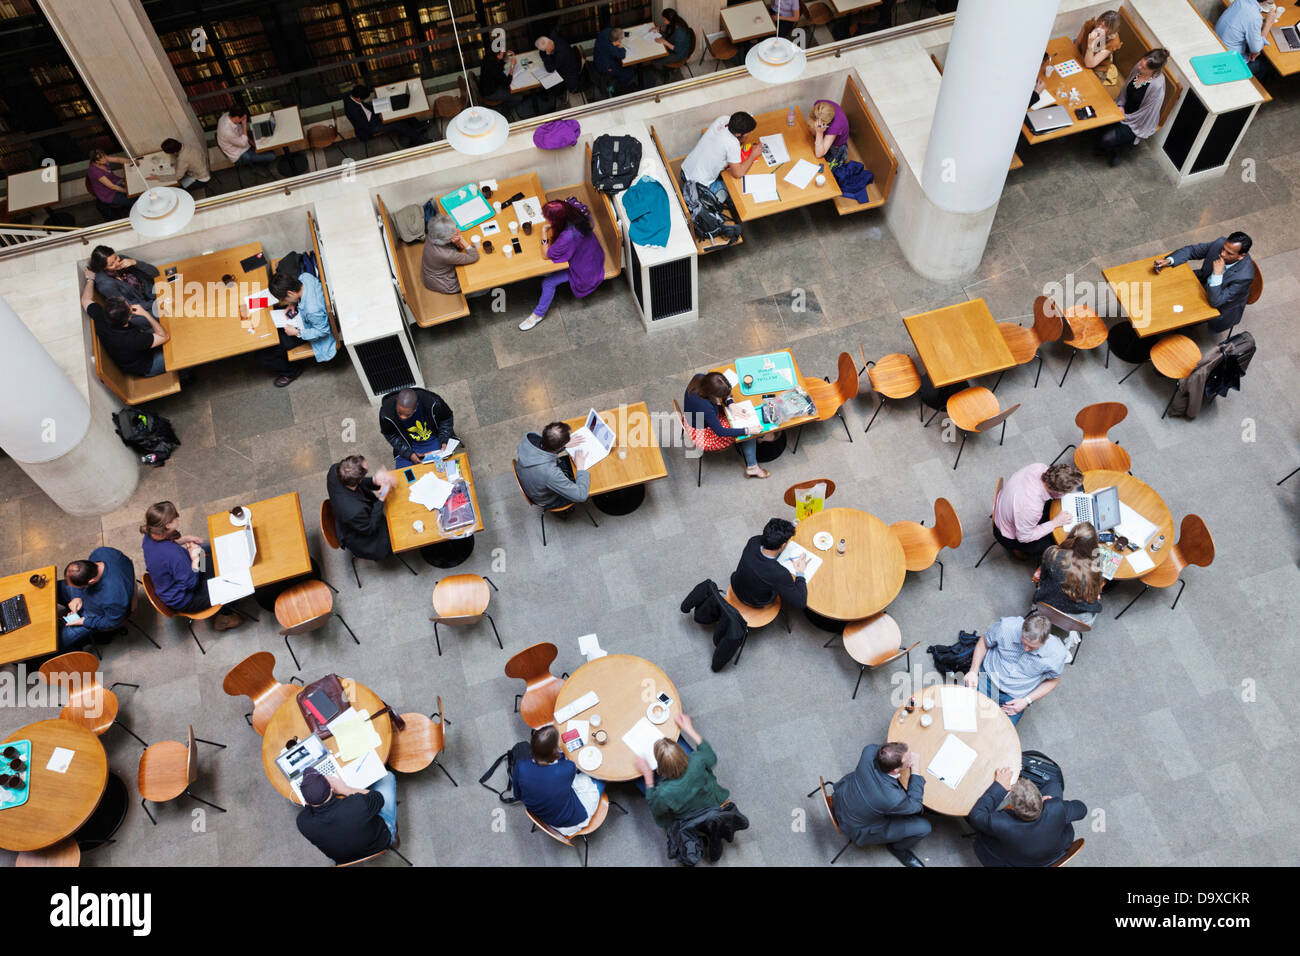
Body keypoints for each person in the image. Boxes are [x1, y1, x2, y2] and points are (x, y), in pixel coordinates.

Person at [139, 501, 241, 630]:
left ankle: (213, 573)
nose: (178, 517)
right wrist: (194, 559)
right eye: (175, 516)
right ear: (168, 525)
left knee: (206, 552)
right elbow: (192, 583)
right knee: (234, 584)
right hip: (187, 597)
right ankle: (225, 618)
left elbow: (168, 545)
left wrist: (185, 539)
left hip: (179, 579)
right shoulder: (174, 555)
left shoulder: (150, 535)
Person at [830, 741, 929, 867]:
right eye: (909, 758)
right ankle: (897, 848)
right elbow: (915, 806)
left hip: (842, 797)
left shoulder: (869, 752)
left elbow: (885, 751)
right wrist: (915, 769)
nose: (912, 758)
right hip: (856, 827)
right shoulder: (893, 798)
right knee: (924, 827)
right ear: (895, 770)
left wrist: (900, 754)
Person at [967, 767, 1088, 867]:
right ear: (1042, 798)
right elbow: (1082, 809)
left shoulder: (1002, 824)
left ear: (1012, 807)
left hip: (1016, 862)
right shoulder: (1056, 807)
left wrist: (1000, 786)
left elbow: (975, 815)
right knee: (1054, 785)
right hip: (1053, 854)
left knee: (977, 825)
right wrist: (1058, 804)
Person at [518, 198, 605, 331]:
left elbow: (545, 255)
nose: (545, 219)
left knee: (548, 282)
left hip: (586, 271)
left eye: (548, 217)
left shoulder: (568, 236)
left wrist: (543, 232)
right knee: (551, 272)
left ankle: (538, 314)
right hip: (593, 255)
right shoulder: (575, 214)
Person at [964, 614, 1066, 726]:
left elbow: (1054, 680)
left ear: (1046, 640)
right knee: (960, 714)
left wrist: (1027, 700)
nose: (1026, 649)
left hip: (1014, 697)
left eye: (1032, 648)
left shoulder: (1056, 655)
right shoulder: (1006, 627)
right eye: (1024, 643)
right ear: (1022, 628)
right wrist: (973, 671)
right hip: (988, 677)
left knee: (998, 735)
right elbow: (984, 641)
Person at [636, 714, 729, 828]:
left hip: (690, 820)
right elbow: (711, 758)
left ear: (660, 767)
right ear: (681, 753)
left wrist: (648, 778)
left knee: (639, 782)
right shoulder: (698, 760)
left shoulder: (663, 793)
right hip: (714, 803)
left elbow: (656, 809)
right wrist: (689, 729)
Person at [247, 270, 337, 388]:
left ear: (290, 292)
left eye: (284, 299)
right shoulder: (305, 278)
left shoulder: (312, 310)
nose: (283, 302)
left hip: (306, 329)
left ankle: (291, 372)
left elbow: (322, 331)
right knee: (269, 324)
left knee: (263, 356)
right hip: (302, 315)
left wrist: (297, 332)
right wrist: (292, 304)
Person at [1154, 231, 1256, 334]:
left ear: (1241, 256)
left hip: (1218, 304)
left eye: (1229, 253)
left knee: (1177, 315)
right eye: (1223, 249)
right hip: (1203, 283)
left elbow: (1216, 302)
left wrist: (1217, 275)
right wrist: (1169, 260)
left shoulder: (1245, 276)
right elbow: (1192, 250)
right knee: (1168, 288)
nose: (1222, 254)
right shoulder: (1220, 243)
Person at [295, 766, 399, 865]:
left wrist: (312, 796)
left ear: (306, 802)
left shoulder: (303, 823)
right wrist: (345, 789)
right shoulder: (358, 804)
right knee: (387, 777)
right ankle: (392, 837)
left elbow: (307, 810)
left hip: (344, 860)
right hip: (381, 842)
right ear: (331, 786)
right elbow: (377, 798)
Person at [513, 726, 605, 835]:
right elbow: (568, 765)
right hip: (572, 820)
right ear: (554, 751)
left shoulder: (521, 766)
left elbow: (517, 795)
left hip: (545, 815)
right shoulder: (565, 769)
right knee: (601, 776)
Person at [81, 269, 168, 377]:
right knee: (180, 353)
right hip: (146, 365)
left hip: (136, 352)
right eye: (129, 305)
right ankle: (184, 375)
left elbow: (85, 300)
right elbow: (164, 337)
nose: (129, 303)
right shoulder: (131, 339)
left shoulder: (102, 315)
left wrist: (90, 279)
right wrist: (146, 314)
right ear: (129, 317)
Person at [682, 371, 769, 479]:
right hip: (703, 434)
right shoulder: (704, 406)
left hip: (693, 418)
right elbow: (720, 432)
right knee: (748, 433)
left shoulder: (700, 378)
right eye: (721, 396)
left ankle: (753, 447)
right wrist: (748, 430)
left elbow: (722, 393)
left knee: (744, 425)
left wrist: (730, 403)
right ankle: (752, 467)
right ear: (712, 394)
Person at [993, 462, 1082, 557]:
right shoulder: (1031, 509)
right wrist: (1055, 523)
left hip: (1008, 505)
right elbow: (1024, 537)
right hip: (1007, 534)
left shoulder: (1039, 467)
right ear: (1059, 492)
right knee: (1058, 544)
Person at [1098, 48, 1168, 166]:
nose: (1139, 67)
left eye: (1144, 68)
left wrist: (1124, 116)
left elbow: (1145, 114)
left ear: (1153, 71)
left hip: (1137, 120)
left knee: (1107, 139)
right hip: (1123, 108)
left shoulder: (1157, 86)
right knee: (1097, 122)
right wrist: (1120, 105)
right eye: (1141, 63)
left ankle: (1118, 149)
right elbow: (1126, 88)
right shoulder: (1139, 67)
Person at [57, 548, 136, 650]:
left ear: (91, 581)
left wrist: (84, 621)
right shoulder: (102, 552)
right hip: (93, 597)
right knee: (56, 587)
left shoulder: (113, 597)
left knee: (58, 642)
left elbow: (112, 622)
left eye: (79, 588)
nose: (76, 588)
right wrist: (78, 596)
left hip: (96, 614)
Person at [326, 455, 396, 561]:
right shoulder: (354, 511)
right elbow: (370, 528)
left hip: (349, 516)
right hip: (362, 538)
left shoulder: (335, 470)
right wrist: (382, 498)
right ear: (359, 480)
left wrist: (374, 481)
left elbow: (358, 482)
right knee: (397, 534)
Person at [681, 111, 758, 206]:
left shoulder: (723, 119)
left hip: (685, 170)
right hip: (698, 187)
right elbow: (738, 173)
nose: (748, 135)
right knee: (736, 190)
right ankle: (733, 211)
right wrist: (753, 155)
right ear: (738, 134)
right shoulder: (732, 144)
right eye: (747, 134)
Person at [731, 517, 809, 610]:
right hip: (755, 601)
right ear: (783, 545)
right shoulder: (780, 574)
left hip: (736, 584)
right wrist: (800, 573)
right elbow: (801, 603)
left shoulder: (753, 541)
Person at [1034, 522, 1104, 625]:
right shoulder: (1094, 568)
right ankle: (1073, 632)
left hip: (1045, 603)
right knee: (1094, 610)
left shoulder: (1052, 553)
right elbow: (1093, 600)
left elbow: (1043, 578)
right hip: (1075, 616)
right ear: (1093, 545)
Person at [515, 421, 590, 508]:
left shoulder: (529, 440)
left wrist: (564, 446)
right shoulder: (550, 473)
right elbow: (581, 496)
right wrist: (580, 468)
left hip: (535, 483)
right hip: (549, 500)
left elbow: (546, 450)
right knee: (589, 482)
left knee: (570, 463)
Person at [379, 387, 456, 467]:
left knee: (445, 468)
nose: (402, 417)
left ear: (416, 406)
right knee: (405, 475)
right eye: (399, 413)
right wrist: (409, 454)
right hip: (408, 445)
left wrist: (444, 440)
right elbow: (390, 435)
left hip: (434, 438)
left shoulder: (433, 402)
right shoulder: (386, 413)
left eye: (407, 414)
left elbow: (446, 419)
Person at [343, 85, 429, 150]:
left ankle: (417, 127)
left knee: (399, 110)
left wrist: (377, 111)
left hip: (373, 115)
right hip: (371, 126)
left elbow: (365, 108)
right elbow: (365, 126)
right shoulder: (353, 110)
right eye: (363, 99)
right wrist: (381, 118)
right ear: (358, 98)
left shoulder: (350, 96)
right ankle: (421, 140)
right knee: (399, 124)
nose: (364, 100)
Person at [1216, 0, 1283, 77]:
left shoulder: (1240, 1)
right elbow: (1256, 49)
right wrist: (1268, 23)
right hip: (1229, 64)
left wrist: (1255, 48)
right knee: (1268, 65)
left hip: (1218, 45)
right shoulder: (1254, 16)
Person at [88, 244, 159, 316]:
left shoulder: (122, 259)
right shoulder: (106, 285)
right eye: (111, 264)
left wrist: (135, 262)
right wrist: (156, 303)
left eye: (116, 258)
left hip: (152, 293)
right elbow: (129, 307)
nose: (117, 263)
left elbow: (155, 273)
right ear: (103, 268)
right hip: (141, 309)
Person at [421, 212, 478, 294]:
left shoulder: (433, 235)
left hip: (433, 272)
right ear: (447, 238)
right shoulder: (446, 255)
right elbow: (474, 257)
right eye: (455, 231)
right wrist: (462, 240)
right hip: (445, 284)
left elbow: (456, 248)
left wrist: (456, 242)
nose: (459, 230)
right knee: (479, 281)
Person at [216, 105, 277, 171]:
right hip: (240, 154)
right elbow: (243, 144)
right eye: (243, 118)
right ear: (236, 117)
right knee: (272, 155)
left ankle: (257, 155)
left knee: (261, 134)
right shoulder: (227, 131)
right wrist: (244, 124)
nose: (244, 119)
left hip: (241, 139)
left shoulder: (227, 115)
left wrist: (251, 141)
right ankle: (256, 167)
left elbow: (242, 134)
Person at [1076, 10, 1122, 86]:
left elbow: (1090, 64)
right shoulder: (1090, 25)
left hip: (1097, 68)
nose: (1099, 27)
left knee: (1083, 86)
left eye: (1104, 26)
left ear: (1111, 30)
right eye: (1099, 23)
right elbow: (1077, 43)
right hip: (1081, 55)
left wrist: (1090, 45)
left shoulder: (1113, 42)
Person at [479, 44, 525, 117]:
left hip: (485, 87)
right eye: (502, 52)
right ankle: (505, 111)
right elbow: (507, 83)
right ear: (497, 54)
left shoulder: (488, 58)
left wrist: (505, 57)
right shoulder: (494, 67)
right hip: (490, 93)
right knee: (519, 97)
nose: (504, 53)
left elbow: (499, 64)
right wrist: (512, 66)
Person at [594, 26, 638, 93]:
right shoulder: (611, 48)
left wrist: (623, 34)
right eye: (620, 40)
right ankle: (620, 88)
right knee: (629, 72)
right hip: (606, 67)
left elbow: (614, 31)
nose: (621, 41)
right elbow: (622, 55)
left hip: (598, 58)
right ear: (616, 41)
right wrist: (620, 46)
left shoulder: (607, 31)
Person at [807, 99, 850, 165]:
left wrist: (819, 133)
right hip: (825, 131)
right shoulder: (819, 106)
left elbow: (819, 154)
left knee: (822, 164)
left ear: (826, 125)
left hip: (837, 147)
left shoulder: (835, 126)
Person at [655, 9, 694, 76]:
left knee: (656, 62)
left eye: (664, 19)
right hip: (674, 45)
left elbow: (678, 50)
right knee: (657, 53)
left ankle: (665, 73)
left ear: (669, 19)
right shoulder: (674, 22)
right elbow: (669, 34)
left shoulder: (680, 32)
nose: (663, 21)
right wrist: (659, 29)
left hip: (679, 54)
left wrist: (664, 42)